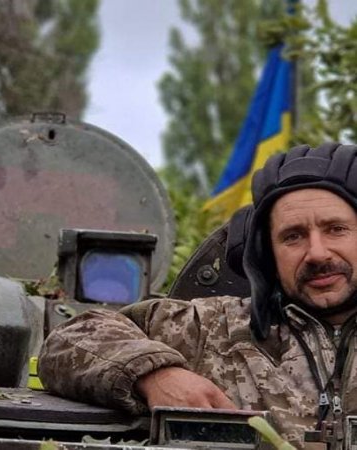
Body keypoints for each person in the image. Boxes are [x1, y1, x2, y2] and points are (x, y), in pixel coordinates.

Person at [38, 142, 357, 448]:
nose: (317, 253)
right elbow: (69, 339)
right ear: (266, 253)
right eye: (293, 236)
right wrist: (155, 375)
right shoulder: (213, 328)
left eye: (336, 229)